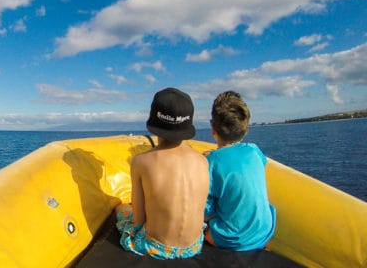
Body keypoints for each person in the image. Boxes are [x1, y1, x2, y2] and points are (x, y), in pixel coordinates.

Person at [115, 87, 210, 259]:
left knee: (121, 208)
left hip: (156, 247)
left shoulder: (141, 161)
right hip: (195, 246)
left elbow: (138, 220)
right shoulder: (203, 161)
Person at [204, 91, 276, 250]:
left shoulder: (211, 162)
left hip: (234, 239)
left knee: (206, 231)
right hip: (265, 232)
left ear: (213, 129)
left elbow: (205, 212)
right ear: (245, 129)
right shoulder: (254, 150)